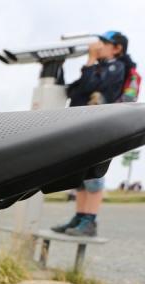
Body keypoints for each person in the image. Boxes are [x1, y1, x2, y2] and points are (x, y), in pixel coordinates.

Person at [52, 30, 131, 237]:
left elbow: (93, 87)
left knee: (94, 176)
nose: (98, 45)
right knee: (81, 175)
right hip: (82, 125)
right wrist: (57, 66)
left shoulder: (117, 67)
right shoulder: (98, 67)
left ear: (117, 48)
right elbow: (74, 91)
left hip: (100, 127)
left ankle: (90, 220)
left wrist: (90, 61)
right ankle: (80, 216)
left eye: (104, 42)